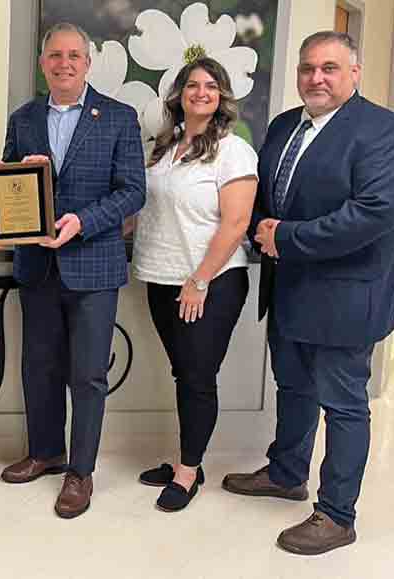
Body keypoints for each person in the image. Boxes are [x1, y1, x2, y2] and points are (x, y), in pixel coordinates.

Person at [222, 31, 394, 555]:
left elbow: (371, 214)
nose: (316, 78)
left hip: (346, 297)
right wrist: (259, 224)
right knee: (294, 387)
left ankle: (336, 514)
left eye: (330, 68)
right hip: (288, 291)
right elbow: (265, 194)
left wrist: (282, 236)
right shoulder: (285, 125)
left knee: (344, 405)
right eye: (308, 68)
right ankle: (286, 472)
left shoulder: (383, 132)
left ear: (355, 72)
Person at [0, 22, 146, 519]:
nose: (64, 63)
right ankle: (45, 452)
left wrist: (82, 220)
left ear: (88, 63)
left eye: (74, 56)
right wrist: (22, 176)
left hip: (94, 266)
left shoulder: (119, 118)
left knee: (87, 374)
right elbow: (5, 186)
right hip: (37, 265)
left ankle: (80, 471)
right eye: (55, 56)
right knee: (37, 367)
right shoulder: (23, 119)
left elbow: (133, 192)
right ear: (43, 64)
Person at [131, 58, 257, 512]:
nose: (200, 92)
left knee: (198, 376)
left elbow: (237, 220)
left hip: (210, 281)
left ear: (222, 96)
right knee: (184, 371)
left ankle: (188, 472)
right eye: (191, 85)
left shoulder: (233, 150)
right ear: (179, 94)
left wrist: (200, 279)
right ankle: (190, 458)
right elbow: (143, 209)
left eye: (210, 86)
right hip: (161, 276)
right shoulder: (164, 147)